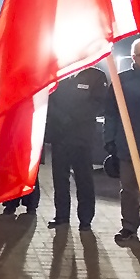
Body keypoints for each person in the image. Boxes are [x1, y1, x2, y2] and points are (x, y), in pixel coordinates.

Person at [104, 39, 140, 247]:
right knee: (128, 190)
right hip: (126, 146)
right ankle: (129, 226)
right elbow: (111, 113)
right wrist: (109, 140)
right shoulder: (121, 81)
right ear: (133, 57)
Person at [44, 67, 108, 231]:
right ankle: (61, 216)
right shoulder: (59, 72)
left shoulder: (96, 75)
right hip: (60, 135)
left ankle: (85, 220)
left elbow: (99, 104)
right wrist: (61, 117)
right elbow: (49, 98)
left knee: (84, 179)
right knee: (60, 179)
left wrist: (73, 118)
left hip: (82, 137)